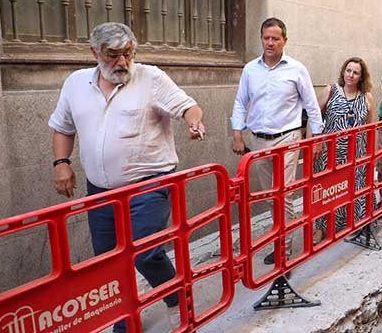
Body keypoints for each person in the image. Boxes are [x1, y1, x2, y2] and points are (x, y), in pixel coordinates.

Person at [49, 22, 205, 332]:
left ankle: (176, 296)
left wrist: (194, 123)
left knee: (145, 253)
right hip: (100, 192)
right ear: (94, 52)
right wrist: (61, 163)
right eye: (113, 55)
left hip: (150, 185)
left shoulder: (151, 78)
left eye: (128, 54)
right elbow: (63, 127)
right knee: (108, 262)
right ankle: (124, 321)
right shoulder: (75, 83)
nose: (122, 62)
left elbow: (188, 106)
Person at [230, 17, 324, 265]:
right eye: (266, 38)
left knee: (284, 195)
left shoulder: (296, 69)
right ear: (261, 39)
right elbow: (241, 101)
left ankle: (285, 251)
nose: (270, 43)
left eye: (275, 38)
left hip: (288, 138)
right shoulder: (250, 69)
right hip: (258, 141)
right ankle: (280, 240)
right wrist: (237, 133)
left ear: (285, 40)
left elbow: (312, 106)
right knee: (270, 196)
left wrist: (318, 138)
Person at [313, 57, 375, 239]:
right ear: (343, 72)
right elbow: (315, 118)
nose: (351, 75)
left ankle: (353, 222)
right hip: (329, 153)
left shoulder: (367, 97)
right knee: (326, 189)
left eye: (356, 72)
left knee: (354, 187)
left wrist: (370, 153)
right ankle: (321, 228)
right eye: (348, 70)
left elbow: (369, 126)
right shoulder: (330, 90)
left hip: (355, 153)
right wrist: (315, 142)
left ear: (361, 77)